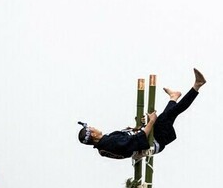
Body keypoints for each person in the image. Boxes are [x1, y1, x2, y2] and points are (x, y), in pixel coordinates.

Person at [78, 68, 206, 159]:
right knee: (171, 113)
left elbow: (130, 136)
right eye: (92, 128)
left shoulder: (105, 143)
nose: (94, 127)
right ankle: (197, 85)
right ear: (93, 134)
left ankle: (174, 97)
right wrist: (151, 122)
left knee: (169, 114)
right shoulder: (109, 143)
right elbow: (137, 140)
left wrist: (138, 127)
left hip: (152, 136)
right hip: (154, 140)